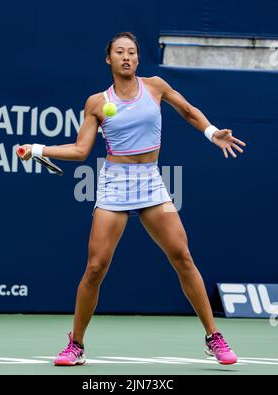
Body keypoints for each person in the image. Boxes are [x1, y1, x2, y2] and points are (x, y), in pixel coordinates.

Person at [18, 32, 246, 366]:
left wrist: (213, 133)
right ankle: (76, 344)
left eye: (132, 52)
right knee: (95, 268)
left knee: (182, 256)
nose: (127, 57)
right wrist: (37, 149)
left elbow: (187, 110)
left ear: (138, 59)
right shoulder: (97, 103)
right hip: (114, 184)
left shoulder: (155, 86)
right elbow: (81, 150)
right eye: (120, 52)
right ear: (108, 59)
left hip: (151, 182)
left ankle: (214, 337)